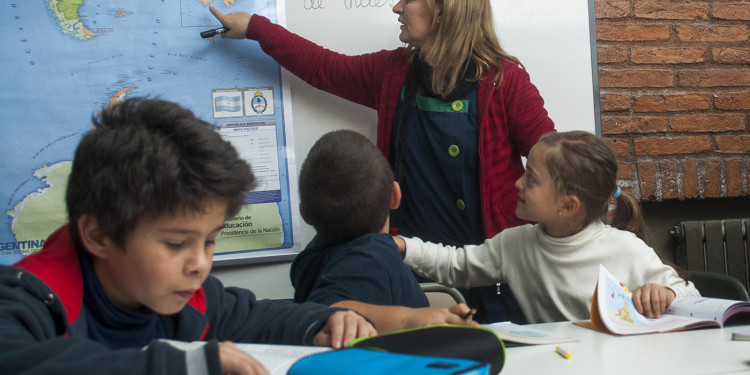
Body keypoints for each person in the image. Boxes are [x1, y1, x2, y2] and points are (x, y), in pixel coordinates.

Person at [209, 0, 555, 323]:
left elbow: (554, 166)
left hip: (489, 270)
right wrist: (255, 27)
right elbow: (322, 67)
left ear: (443, 10)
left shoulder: (504, 82)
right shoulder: (392, 72)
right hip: (409, 265)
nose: (397, 7)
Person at [0, 97, 375, 375]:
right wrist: (181, 367)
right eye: (176, 244)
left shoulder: (183, 295)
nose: (200, 264)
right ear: (99, 236)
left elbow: (252, 316)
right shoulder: (26, 299)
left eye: (210, 240)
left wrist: (321, 323)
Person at [394, 131, 701, 323]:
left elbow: (690, 296)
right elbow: (457, 265)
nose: (518, 183)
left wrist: (665, 293)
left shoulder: (625, 249)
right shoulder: (514, 245)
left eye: (531, 178)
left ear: (568, 206)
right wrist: (404, 248)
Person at [290, 130, 476, 332]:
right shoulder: (370, 254)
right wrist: (410, 319)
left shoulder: (309, 258)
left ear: (305, 215)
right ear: (395, 196)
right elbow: (326, 310)